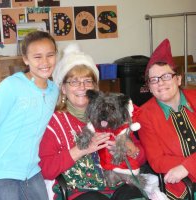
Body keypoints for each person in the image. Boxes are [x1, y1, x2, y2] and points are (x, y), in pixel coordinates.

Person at [39, 43, 146, 200]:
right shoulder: (53, 122)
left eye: (88, 81)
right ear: (63, 88)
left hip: (121, 183)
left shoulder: (115, 113)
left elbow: (142, 157)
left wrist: (131, 148)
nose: (82, 87)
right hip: (81, 191)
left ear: (95, 87)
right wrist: (81, 150)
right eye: (74, 81)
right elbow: (46, 169)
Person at [0, 31, 59, 200]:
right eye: (37, 57)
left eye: (50, 55)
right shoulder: (10, 86)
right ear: (25, 59)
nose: (45, 62)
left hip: (32, 170)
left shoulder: (54, 91)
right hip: (2, 171)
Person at [137, 39, 196, 199]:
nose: (160, 83)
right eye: (154, 79)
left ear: (178, 79)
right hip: (183, 186)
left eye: (166, 76)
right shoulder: (144, 115)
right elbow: (157, 161)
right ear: (149, 86)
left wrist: (188, 166)